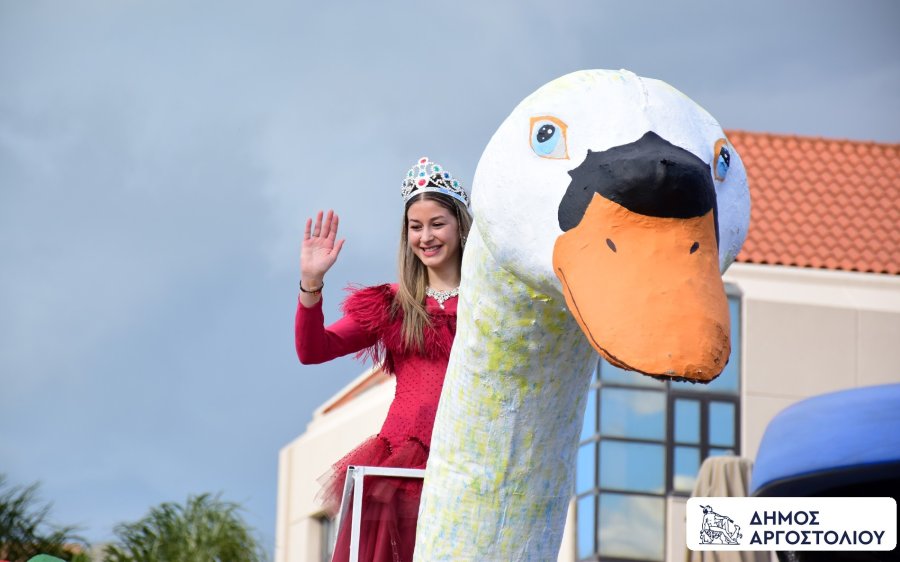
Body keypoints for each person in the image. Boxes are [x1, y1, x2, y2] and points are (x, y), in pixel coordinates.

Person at [295, 157, 472, 562]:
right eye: (416, 226)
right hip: (398, 475)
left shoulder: (489, 304)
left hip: (467, 462)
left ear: (461, 226)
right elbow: (312, 350)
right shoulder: (394, 304)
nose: (426, 236)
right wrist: (311, 283)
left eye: (437, 223)